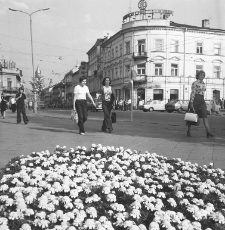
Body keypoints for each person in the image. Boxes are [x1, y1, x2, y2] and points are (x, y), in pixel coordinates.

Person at [187, 70, 214, 138]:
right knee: (192, 116)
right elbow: (193, 93)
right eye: (201, 75)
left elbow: (203, 92)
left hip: (202, 100)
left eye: (203, 75)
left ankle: (208, 132)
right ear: (198, 76)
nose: (202, 76)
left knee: (205, 116)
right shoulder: (195, 83)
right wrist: (191, 102)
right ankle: (188, 130)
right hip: (195, 100)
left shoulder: (203, 83)